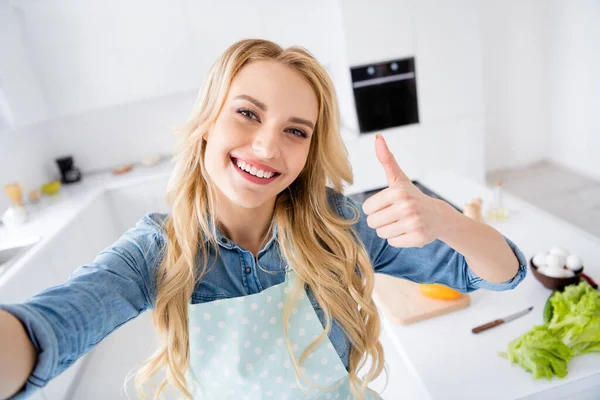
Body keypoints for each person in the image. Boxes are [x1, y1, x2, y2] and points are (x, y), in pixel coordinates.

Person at [0, 39, 527, 400]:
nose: (267, 145)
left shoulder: (339, 226)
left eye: (296, 131)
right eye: (247, 113)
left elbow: (501, 274)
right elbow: (43, 331)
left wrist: (447, 221)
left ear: (308, 150)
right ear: (207, 122)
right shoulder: (156, 252)